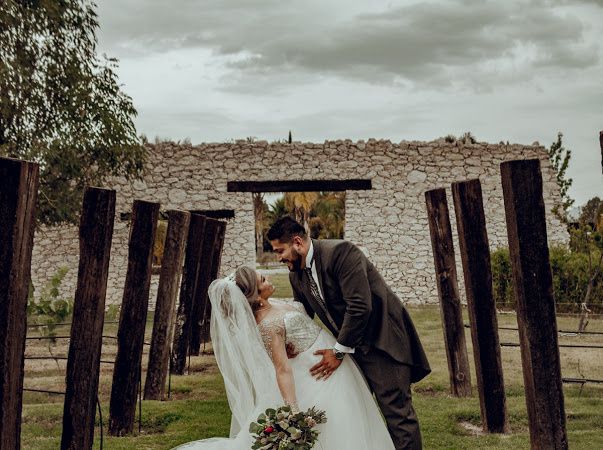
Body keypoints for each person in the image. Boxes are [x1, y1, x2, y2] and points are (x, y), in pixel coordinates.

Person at [173, 266, 395, 450]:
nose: (268, 279)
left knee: (351, 417)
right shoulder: (267, 325)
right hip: (314, 373)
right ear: (256, 295)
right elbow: (282, 369)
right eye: (263, 279)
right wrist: (293, 410)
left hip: (326, 359)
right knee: (339, 421)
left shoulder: (274, 303)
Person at [267, 216, 431, 450]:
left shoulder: (341, 253)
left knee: (397, 415)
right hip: (351, 349)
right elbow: (303, 312)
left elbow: (360, 305)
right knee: (357, 413)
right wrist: (290, 341)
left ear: (297, 243)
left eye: (279, 251)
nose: (279, 258)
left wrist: (339, 351)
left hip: (382, 343)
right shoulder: (296, 274)